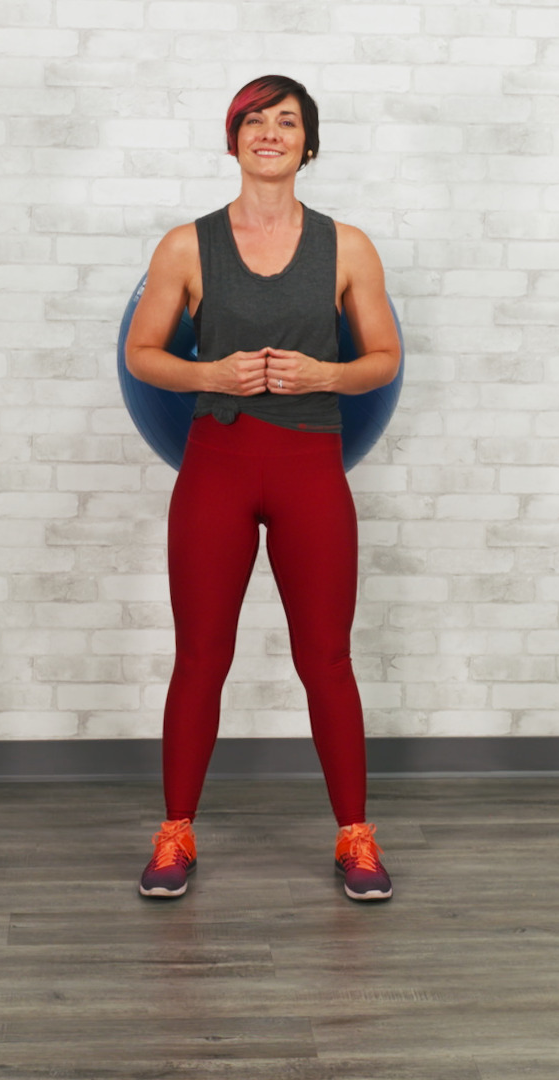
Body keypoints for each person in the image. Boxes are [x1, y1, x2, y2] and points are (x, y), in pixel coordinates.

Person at [123, 75, 402, 902]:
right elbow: (144, 353)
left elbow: (384, 358)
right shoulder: (186, 245)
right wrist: (209, 370)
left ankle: (356, 837)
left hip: (310, 468)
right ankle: (175, 834)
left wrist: (328, 372)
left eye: (288, 122)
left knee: (328, 660)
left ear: (309, 145)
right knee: (200, 657)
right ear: (233, 138)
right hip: (218, 465)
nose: (270, 132)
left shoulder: (347, 247)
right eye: (255, 120)